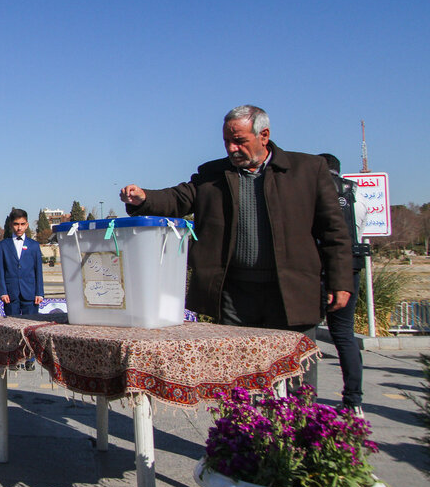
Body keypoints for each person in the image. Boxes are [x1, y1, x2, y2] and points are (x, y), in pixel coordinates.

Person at [119, 105, 353, 333]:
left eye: (239, 141)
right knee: (239, 368)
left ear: (264, 136)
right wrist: (143, 198)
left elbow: (334, 232)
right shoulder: (212, 175)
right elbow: (178, 198)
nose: (231, 149)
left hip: (291, 294)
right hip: (234, 295)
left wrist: (340, 282)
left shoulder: (308, 170)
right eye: (227, 142)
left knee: (293, 368)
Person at [318, 153, 369, 415]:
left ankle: (298, 398)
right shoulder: (355, 198)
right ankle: (354, 400)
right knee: (345, 336)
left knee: (302, 333)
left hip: (319, 270)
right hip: (350, 269)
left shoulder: (315, 194)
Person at [0, 208, 45, 371]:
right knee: (13, 328)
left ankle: (30, 358)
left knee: (31, 328)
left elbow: (38, 270)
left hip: (30, 293)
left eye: (22, 224)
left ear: (27, 224)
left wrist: (40, 292)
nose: (19, 227)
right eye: (16, 224)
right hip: (11, 294)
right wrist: (2, 291)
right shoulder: (3, 245)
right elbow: (1, 270)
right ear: (11, 225)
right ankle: (14, 358)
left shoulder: (33, 245)